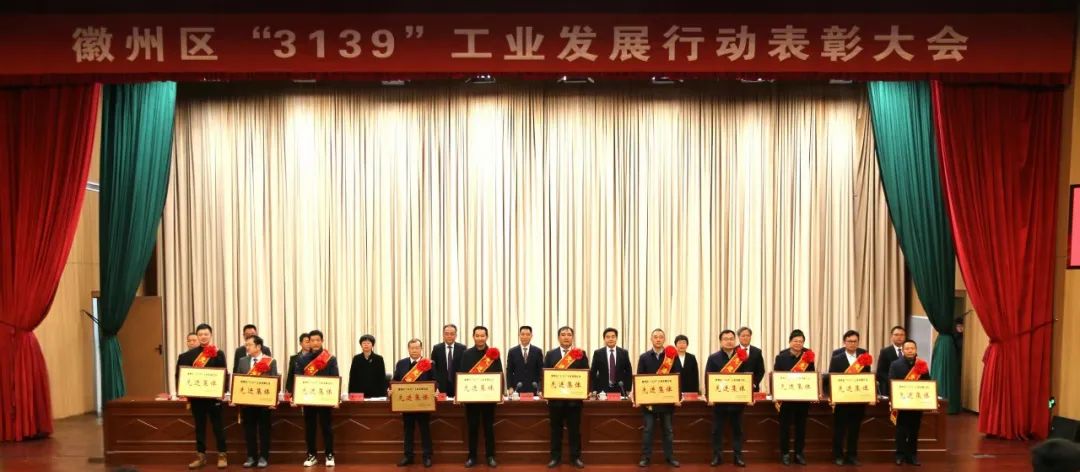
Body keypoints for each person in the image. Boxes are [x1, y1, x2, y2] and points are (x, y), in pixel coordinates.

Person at [176, 323, 229, 469]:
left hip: (214, 399)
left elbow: (224, 373)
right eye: (200, 334)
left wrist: (222, 391)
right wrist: (183, 391)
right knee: (199, 428)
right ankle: (201, 457)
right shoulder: (187, 356)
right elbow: (180, 376)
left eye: (206, 334)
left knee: (218, 427)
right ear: (197, 336)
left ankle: (222, 455)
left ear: (211, 335)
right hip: (197, 399)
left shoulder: (218, 353)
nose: (203, 337)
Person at [543, 326, 589, 469]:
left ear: (572, 337)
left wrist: (586, 390)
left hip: (574, 402)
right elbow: (545, 375)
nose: (566, 337)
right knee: (555, 431)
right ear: (558, 337)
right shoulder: (550, 354)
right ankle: (555, 458)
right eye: (563, 334)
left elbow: (586, 374)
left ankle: (575, 458)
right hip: (555, 401)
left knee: (574, 431)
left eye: (569, 334)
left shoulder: (580, 354)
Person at [293, 329, 339, 468]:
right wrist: (296, 396)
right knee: (310, 429)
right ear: (309, 342)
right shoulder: (302, 359)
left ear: (322, 341)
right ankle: (311, 455)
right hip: (308, 399)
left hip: (325, 400)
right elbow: (298, 379)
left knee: (326, 428)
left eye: (318, 340)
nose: (315, 343)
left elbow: (334, 378)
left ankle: (329, 455)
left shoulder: (330, 358)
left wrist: (335, 398)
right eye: (312, 340)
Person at [458, 326, 502, 468]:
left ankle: (490, 456)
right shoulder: (466, 354)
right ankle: (472, 457)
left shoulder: (493, 354)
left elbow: (499, 373)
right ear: (473, 337)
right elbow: (463, 375)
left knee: (489, 428)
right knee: (472, 428)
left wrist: (500, 393)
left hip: (489, 398)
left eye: (482, 336)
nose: (480, 338)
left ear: (486, 337)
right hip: (472, 399)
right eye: (477, 336)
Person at [705, 329, 750, 467]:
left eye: (731, 339)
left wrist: (748, 395)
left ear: (735, 340)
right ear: (720, 341)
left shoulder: (741, 357)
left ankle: (738, 457)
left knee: (738, 430)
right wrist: (710, 396)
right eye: (726, 339)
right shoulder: (713, 358)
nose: (729, 341)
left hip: (737, 401)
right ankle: (717, 457)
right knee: (717, 431)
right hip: (720, 402)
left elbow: (747, 377)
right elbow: (708, 378)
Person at [637, 328, 681, 468]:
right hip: (649, 402)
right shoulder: (644, 357)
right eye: (655, 337)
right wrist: (639, 398)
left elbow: (678, 377)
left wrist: (677, 397)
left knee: (668, 431)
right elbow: (639, 379)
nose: (658, 339)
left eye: (660, 337)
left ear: (664, 339)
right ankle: (646, 457)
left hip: (667, 401)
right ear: (651, 339)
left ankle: (670, 457)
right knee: (648, 430)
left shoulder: (671, 357)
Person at [234, 335, 278, 469]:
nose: (246, 347)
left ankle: (264, 456)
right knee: (249, 431)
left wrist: (273, 401)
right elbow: (238, 380)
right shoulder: (242, 361)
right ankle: (251, 456)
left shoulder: (270, 361)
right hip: (247, 404)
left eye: (249, 345)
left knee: (264, 431)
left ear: (258, 346)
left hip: (264, 403)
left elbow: (274, 381)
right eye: (246, 345)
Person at [774, 329, 815, 466]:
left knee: (801, 428)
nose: (798, 343)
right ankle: (785, 453)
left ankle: (799, 454)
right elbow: (777, 376)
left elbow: (811, 376)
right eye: (795, 341)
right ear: (790, 342)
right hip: (786, 399)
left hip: (802, 399)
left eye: (801, 341)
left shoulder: (808, 356)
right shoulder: (781, 357)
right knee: (785, 428)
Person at [828, 330, 869, 466]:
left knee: (854, 430)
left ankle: (852, 455)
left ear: (858, 342)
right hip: (842, 401)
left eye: (855, 341)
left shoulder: (864, 356)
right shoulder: (837, 358)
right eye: (849, 341)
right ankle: (838, 456)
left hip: (858, 400)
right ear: (844, 342)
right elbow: (832, 378)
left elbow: (867, 377)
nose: (852, 344)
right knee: (839, 429)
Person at [393, 338, 434, 468]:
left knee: (425, 430)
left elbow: (435, 381)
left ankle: (427, 456)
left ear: (421, 349)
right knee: (408, 431)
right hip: (407, 403)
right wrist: (390, 390)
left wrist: (436, 389)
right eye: (412, 348)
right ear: (408, 349)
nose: (414, 350)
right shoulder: (401, 364)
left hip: (423, 404)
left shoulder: (429, 363)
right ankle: (408, 456)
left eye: (417, 348)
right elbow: (395, 381)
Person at [890, 339, 931, 466]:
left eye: (912, 348)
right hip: (902, 404)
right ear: (903, 350)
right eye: (907, 349)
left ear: (916, 350)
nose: (910, 351)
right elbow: (891, 382)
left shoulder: (922, 364)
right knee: (901, 431)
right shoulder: (895, 364)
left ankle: (912, 456)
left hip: (917, 404)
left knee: (914, 431)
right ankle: (899, 455)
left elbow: (927, 383)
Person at [589, 327, 633, 395]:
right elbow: (593, 372)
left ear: (616, 338)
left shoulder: (624, 353)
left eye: (613, 336)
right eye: (608, 337)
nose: (610, 339)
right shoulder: (598, 353)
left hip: (620, 389)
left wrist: (628, 389)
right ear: (604, 339)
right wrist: (593, 389)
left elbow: (628, 372)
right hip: (602, 390)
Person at [506, 325, 544, 394]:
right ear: (519, 335)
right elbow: (509, 371)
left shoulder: (537, 351)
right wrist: (510, 387)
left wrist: (540, 388)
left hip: (534, 388)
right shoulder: (512, 351)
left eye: (528, 334)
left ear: (531, 336)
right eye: (522, 334)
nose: (525, 337)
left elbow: (541, 371)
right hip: (517, 388)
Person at [431, 323, 466, 395]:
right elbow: (433, 368)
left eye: (452, 334)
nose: (449, 336)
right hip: (441, 385)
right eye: (446, 334)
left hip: (457, 384)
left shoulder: (462, 348)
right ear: (443, 335)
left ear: (456, 335)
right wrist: (435, 385)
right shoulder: (437, 348)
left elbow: (464, 367)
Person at [877, 325, 907, 396]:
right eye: (896, 335)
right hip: (890, 386)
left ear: (905, 337)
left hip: (907, 386)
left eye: (902, 335)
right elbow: (881, 372)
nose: (899, 337)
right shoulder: (885, 351)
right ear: (891, 336)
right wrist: (892, 381)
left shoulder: (909, 350)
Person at [736, 327, 766, 392]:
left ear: (750, 337)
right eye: (743, 336)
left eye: (748, 335)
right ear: (738, 337)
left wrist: (754, 383)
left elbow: (761, 370)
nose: (745, 338)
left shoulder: (757, 351)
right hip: (736, 386)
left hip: (752, 387)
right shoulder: (734, 351)